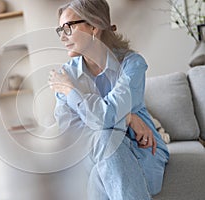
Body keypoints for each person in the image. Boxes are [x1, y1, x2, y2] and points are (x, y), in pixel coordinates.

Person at [48, 0, 169, 199]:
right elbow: (70, 133)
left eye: (68, 27)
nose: (62, 36)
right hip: (92, 157)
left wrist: (72, 92)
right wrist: (127, 118)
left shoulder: (132, 64)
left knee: (103, 156)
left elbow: (105, 119)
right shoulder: (66, 74)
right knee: (105, 142)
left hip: (142, 151)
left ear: (94, 26)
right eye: (60, 29)